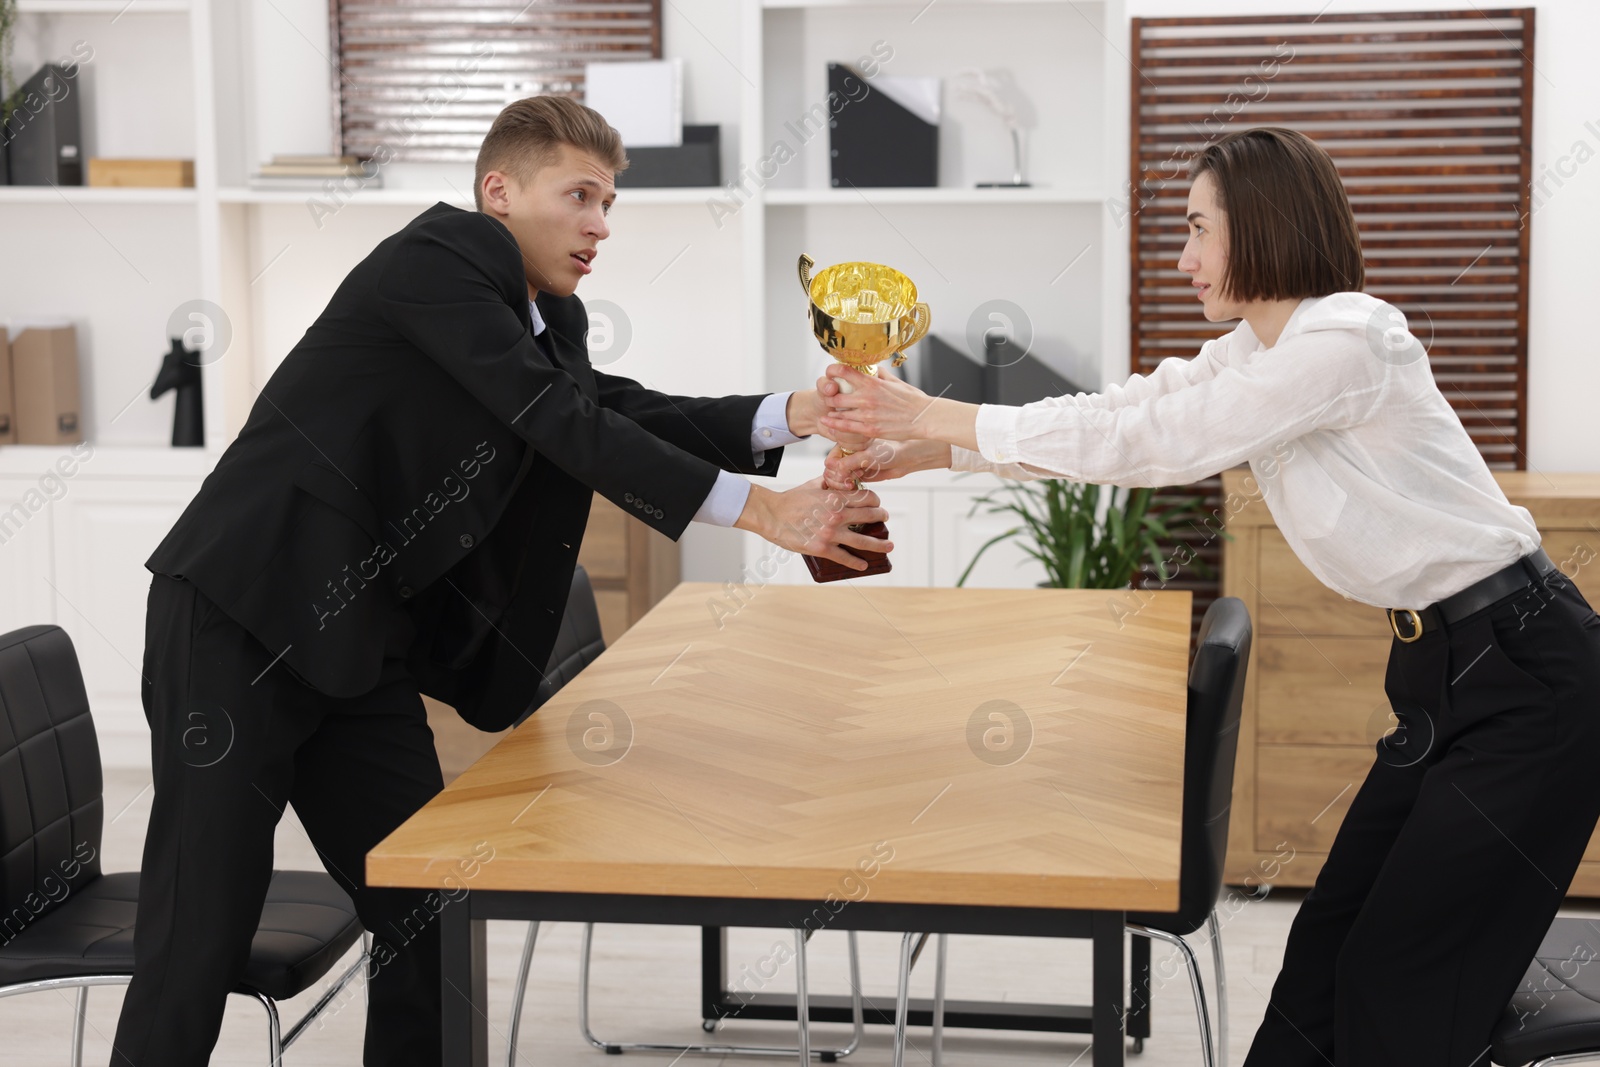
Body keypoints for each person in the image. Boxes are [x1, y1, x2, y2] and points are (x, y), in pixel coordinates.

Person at [110, 94, 881, 1067]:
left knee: (427, 902)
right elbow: (550, 417)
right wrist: (758, 508)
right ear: (498, 191)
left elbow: (605, 407)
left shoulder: (547, 314)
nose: (602, 223)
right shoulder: (435, 260)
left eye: (611, 201)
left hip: (358, 645)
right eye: (581, 195)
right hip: (242, 618)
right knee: (198, 933)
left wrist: (791, 411)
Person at [817, 126, 1600, 1065]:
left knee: (1398, 976)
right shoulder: (1259, 348)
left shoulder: (1347, 340)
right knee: (1325, 955)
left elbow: (1171, 444)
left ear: (1263, 226)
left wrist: (927, 410)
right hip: (1443, 672)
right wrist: (933, 446)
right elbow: (1123, 413)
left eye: (1197, 230)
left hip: (1530, 679)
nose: (1183, 258)